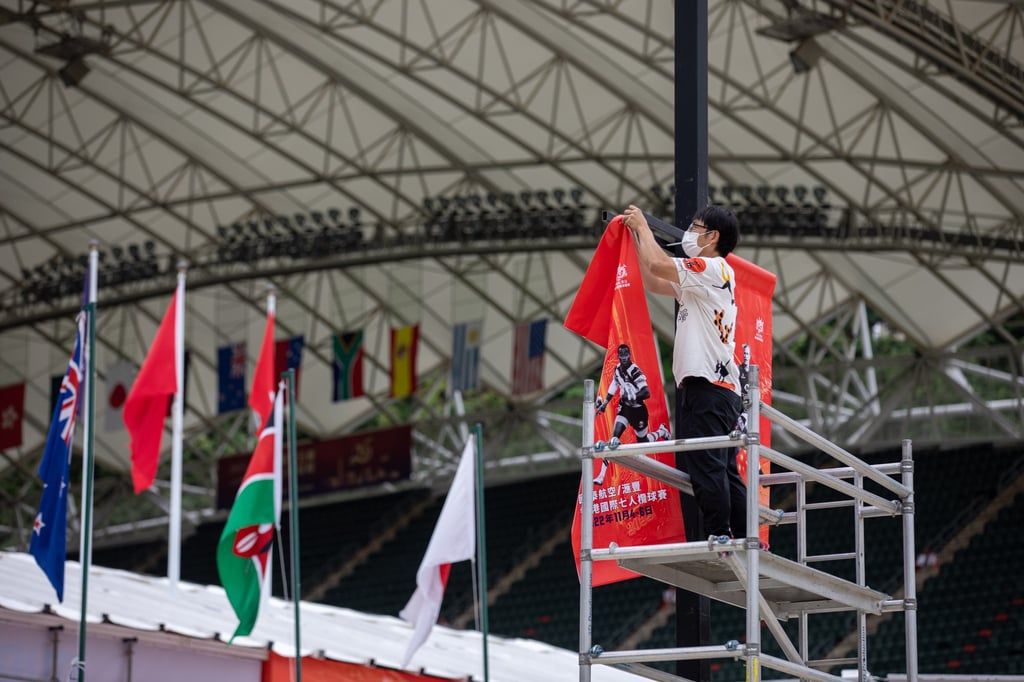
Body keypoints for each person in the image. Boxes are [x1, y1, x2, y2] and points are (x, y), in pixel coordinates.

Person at [622, 203, 747, 540]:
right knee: (722, 468)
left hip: (710, 386)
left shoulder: (713, 267)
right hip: (709, 387)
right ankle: (742, 537)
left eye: (696, 226)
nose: (689, 232)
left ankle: (722, 535)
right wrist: (636, 234)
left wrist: (644, 227)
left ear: (713, 236)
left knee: (707, 467)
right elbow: (654, 279)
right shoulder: (705, 277)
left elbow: (657, 263)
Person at [593, 343, 670, 485]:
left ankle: (661, 431)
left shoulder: (635, 371)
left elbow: (646, 392)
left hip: (638, 410)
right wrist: (605, 403)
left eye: (626, 354)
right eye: (621, 355)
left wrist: (633, 396)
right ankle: (601, 476)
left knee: (643, 442)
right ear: (618, 356)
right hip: (625, 409)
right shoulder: (617, 370)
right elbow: (614, 385)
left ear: (629, 355)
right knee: (613, 439)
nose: (623, 358)